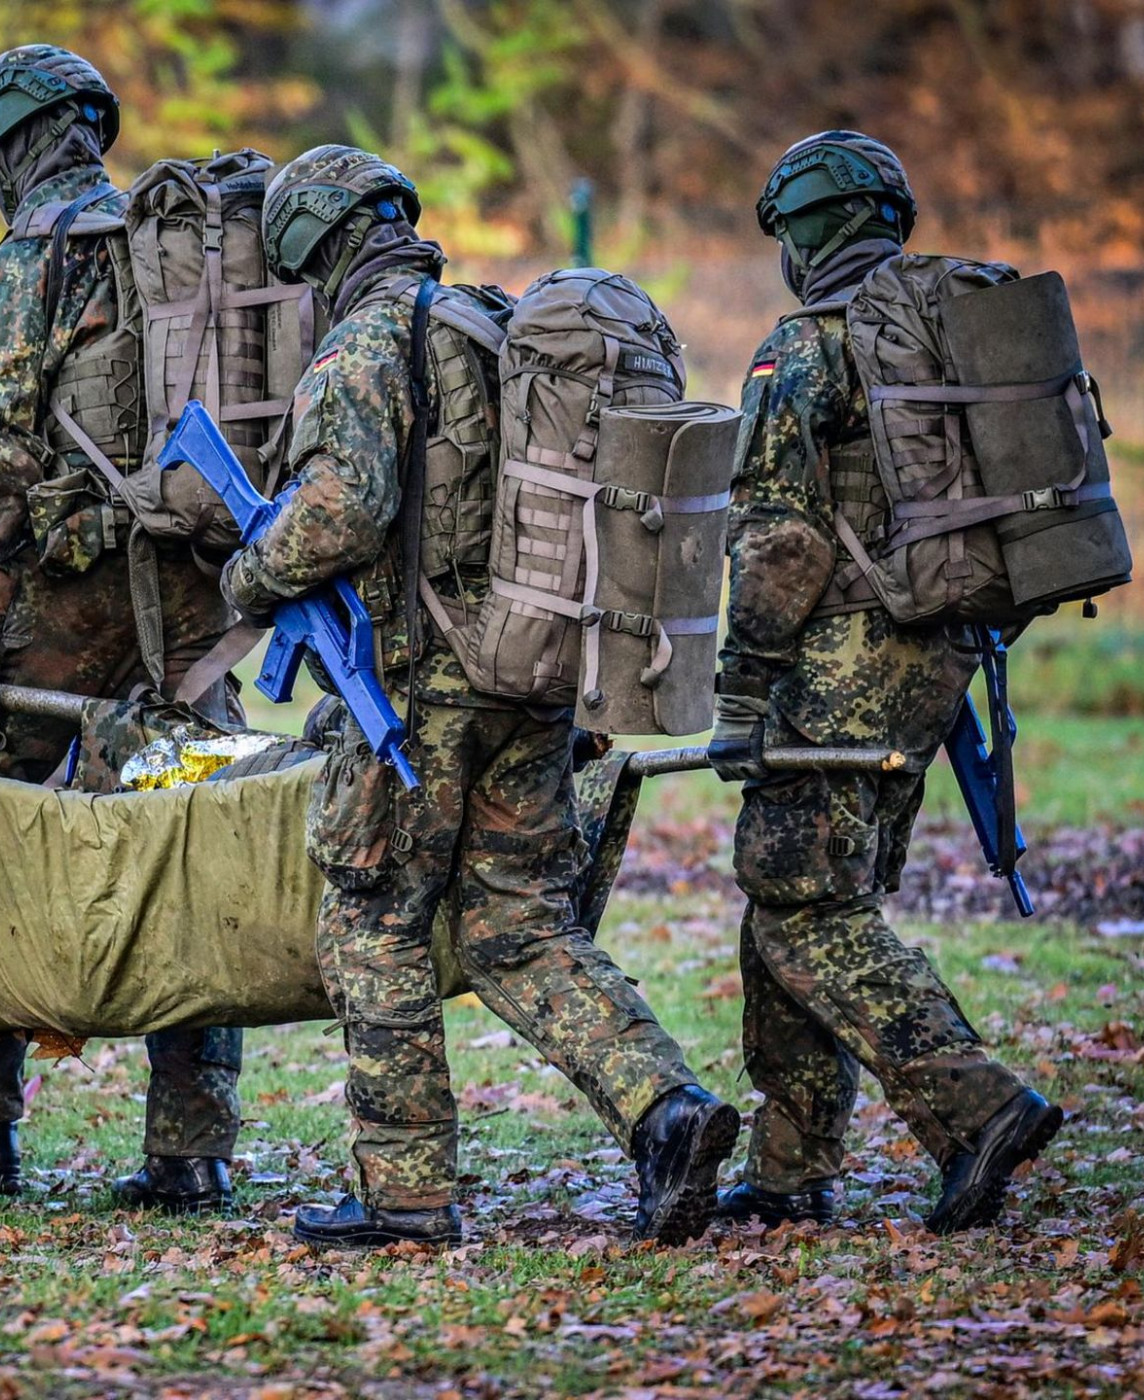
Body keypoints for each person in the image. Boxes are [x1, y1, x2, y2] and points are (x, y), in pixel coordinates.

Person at [220, 144, 740, 1249]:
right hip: (532, 672)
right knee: (518, 922)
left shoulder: (365, 345)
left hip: (415, 696)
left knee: (373, 919)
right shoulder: (497, 329)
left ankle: (405, 1194)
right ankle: (665, 1108)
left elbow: (340, 512)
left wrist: (250, 573)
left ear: (316, 246)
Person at [0, 45, 243, 1214]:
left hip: (70, 598)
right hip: (200, 607)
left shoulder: (36, 260)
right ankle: (190, 1149)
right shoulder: (193, 251)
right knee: (195, 842)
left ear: (11, 146)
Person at [710, 130, 1062, 1235]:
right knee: (800, 899)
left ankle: (979, 1108)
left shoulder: (806, 346)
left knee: (807, 908)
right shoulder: (946, 330)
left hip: (833, 667)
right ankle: (790, 1168)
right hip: (936, 657)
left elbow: (779, 537)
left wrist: (739, 686)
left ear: (804, 232)